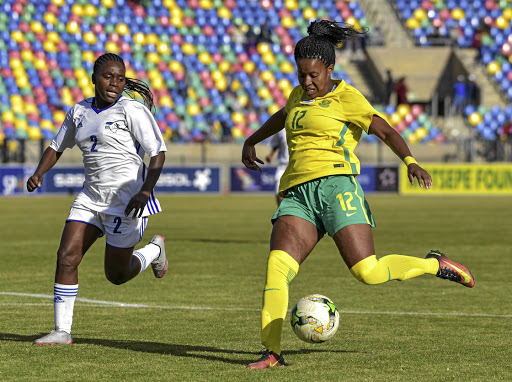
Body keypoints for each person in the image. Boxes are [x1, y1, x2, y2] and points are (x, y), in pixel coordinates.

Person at [241, 20, 475, 370]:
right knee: (277, 267)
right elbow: (284, 114)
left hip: (337, 188)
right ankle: (272, 351)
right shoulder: (297, 96)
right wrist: (252, 139)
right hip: (297, 195)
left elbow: (385, 129)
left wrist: (410, 161)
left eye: (314, 75)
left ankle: (433, 264)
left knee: (368, 271)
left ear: (330, 69)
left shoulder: (347, 97)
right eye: (302, 74)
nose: (307, 82)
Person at [27, 53, 168, 345]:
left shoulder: (133, 110)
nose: (114, 83)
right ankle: (62, 332)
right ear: (94, 78)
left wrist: (145, 191)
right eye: (108, 76)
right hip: (90, 197)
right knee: (67, 256)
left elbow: (158, 152)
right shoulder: (79, 111)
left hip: (126, 201)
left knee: (116, 275)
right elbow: (56, 146)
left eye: (119, 78)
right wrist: (39, 173)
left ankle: (154, 251)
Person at [265, 128, 289, 205]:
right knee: (279, 190)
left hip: (298, 165)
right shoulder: (280, 129)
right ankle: (281, 212)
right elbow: (275, 144)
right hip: (283, 165)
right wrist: (271, 155)